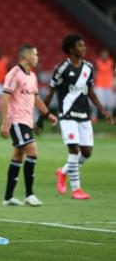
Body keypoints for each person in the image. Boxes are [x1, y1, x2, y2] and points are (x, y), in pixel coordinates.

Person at [37, 34, 113, 199]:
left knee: (86, 152)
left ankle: (63, 172)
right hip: (67, 114)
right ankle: (76, 189)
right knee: (74, 149)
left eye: (84, 45)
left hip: (83, 114)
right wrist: (41, 117)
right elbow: (50, 92)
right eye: (80, 46)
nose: (84, 48)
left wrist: (102, 110)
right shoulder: (61, 69)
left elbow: (90, 92)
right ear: (71, 49)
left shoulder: (88, 68)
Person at [0, 44, 57, 206]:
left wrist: (48, 114)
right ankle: (29, 194)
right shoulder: (14, 74)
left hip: (27, 121)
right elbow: (5, 99)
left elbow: (36, 99)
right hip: (16, 120)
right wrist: (5, 123)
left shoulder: (32, 76)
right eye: (35, 54)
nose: (37, 57)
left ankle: (8, 197)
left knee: (18, 156)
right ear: (26, 56)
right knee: (33, 152)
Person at [92, 48, 114, 122]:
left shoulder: (111, 62)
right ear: (101, 55)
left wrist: (113, 83)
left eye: (106, 54)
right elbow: (94, 73)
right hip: (99, 85)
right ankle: (94, 116)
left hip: (108, 85)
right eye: (103, 54)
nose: (104, 56)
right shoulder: (97, 62)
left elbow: (113, 73)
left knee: (109, 102)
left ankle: (109, 117)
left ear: (108, 55)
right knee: (96, 100)